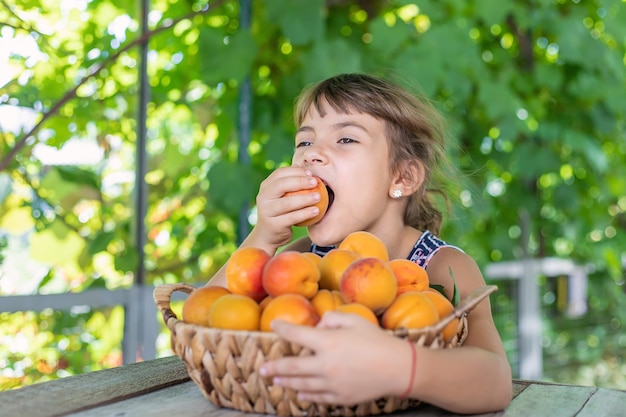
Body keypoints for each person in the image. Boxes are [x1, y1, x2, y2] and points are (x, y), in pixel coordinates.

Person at [207, 73, 512, 414]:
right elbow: (205, 325)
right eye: (304, 142)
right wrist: (264, 236)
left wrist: (400, 368)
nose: (312, 155)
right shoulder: (303, 260)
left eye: (346, 139)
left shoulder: (444, 268)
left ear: (402, 177)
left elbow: (496, 382)